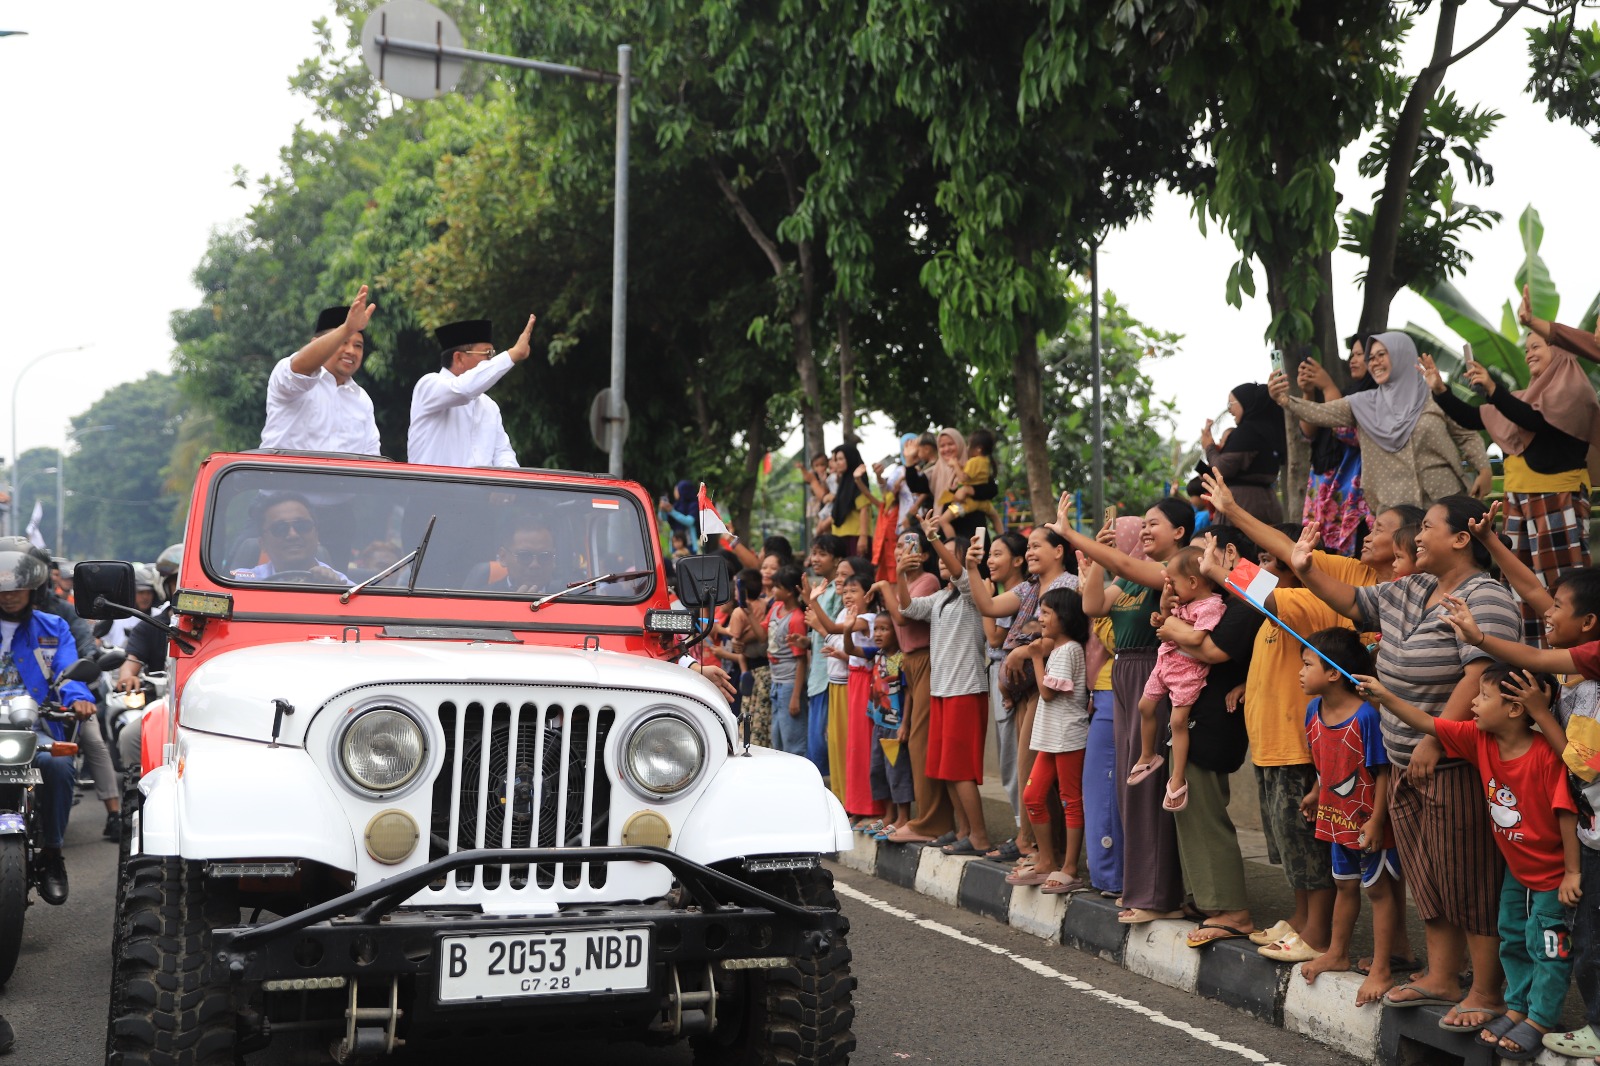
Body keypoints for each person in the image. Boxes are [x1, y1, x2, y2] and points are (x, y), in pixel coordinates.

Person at [1292, 496, 1520, 1033]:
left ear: (1462, 538)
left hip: (1451, 763)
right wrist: (1305, 567)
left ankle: (1486, 991)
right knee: (1429, 878)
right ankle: (1441, 976)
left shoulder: (1484, 595)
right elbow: (1351, 600)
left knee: (1469, 879)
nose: (1416, 539)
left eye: (1429, 529)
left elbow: (1481, 675)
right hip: (1405, 762)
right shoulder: (1413, 586)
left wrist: (1436, 739)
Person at [1360, 664, 1578, 1060]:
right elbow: (1428, 722)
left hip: (1553, 875)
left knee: (1547, 948)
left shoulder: (1545, 755)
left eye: (1483, 696)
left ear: (1514, 709)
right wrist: (1385, 697)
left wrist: (1572, 873)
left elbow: (1566, 812)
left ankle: (1541, 1019)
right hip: (1517, 870)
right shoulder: (1481, 740)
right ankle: (1516, 1008)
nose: (1472, 704)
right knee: (1512, 936)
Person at [1422, 334, 1600, 646]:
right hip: (1518, 500)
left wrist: (1493, 390)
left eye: (1538, 346)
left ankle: (1572, 662)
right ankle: (1531, 659)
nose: (1529, 353)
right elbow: (1473, 417)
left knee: (1562, 586)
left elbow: (1534, 421)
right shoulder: (1520, 397)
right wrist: (1440, 390)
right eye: (1527, 348)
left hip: (1558, 499)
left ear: (1560, 351)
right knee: (1519, 585)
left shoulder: (1573, 390)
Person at [1062, 495, 1191, 924]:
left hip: (1153, 674)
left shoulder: (1171, 571)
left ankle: (1157, 895)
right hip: (1125, 673)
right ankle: (1139, 886)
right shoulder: (1134, 579)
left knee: (1148, 786)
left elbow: (1131, 568)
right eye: (1145, 525)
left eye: (1156, 524)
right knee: (1128, 786)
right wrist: (1098, 560)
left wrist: (1073, 535)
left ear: (1179, 532)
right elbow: (1092, 606)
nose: (1148, 531)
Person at [1296, 628, 1405, 1006]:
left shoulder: (1366, 717)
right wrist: (1315, 792)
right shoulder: (1313, 711)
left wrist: (1377, 820)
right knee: (1344, 885)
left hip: (1366, 821)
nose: (1301, 672)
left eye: (1307, 664)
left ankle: (1381, 968)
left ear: (1333, 673)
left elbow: (1383, 772)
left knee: (1377, 890)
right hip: (1333, 816)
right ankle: (1338, 952)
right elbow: (1327, 765)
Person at [1270, 331, 1492, 514]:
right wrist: (1285, 400)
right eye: (1371, 357)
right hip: (1395, 510)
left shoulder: (1434, 395)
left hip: (1445, 502)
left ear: (1401, 355)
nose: (1374, 362)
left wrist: (1484, 469)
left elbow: (1466, 434)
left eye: (1381, 355)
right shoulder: (1362, 404)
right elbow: (1319, 413)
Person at [967, 524, 1079, 867]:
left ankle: (1037, 849)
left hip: (1049, 692)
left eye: (1036, 546)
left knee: (1034, 774)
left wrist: (1023, 652)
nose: (1029, 552)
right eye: (1027, 547)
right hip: (1024, 691)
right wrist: (971, 567)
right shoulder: (1031, 587)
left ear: (1059, 551)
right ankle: (1042, 849)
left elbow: (1068, 635)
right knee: (1029, 772)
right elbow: (987, 605)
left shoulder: (1068, 586)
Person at [879, 533, 991, 856]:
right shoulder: (942, 597)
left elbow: (959, 573)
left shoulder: (973, 590)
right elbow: (909, 608)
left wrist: (933, 537)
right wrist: (900, 573)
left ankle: (980, 835)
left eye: (948, 555)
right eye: (939, 554)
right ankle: (964, 830)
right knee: (945, 768)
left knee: (960, 769)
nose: (942, 560)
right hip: (942, 690)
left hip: (965, 689)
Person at [0, 542, 92, 905]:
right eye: (2, 587)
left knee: (59, 764)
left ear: (32, 586)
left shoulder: (53, 627)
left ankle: (52, 854)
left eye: (16, 586)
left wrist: (79, 700)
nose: (8, 595)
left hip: (33, 726)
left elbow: (69, 673)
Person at [1128, 546, 1224, 813]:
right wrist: (1162, 616)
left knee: (1178, 721)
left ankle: (1178, 776)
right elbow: (1169, 624)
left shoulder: (1212, 605)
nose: (1168, 587)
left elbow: (1196, 638)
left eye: (1173, 582)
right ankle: (1148, 755)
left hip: (1187, 671)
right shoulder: (1184, 602)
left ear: (1193, 582)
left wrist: (1169, 628)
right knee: (1144, 707)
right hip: (1165, 662)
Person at [1008, 586, 1091, 894]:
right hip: (1051, 737)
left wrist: (1035, 657)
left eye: (1046, 613)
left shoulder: (1069, 650)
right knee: (1032, 796)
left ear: (1064, 617)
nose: (1040, 619)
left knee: (1071, 800)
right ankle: (1046, 860)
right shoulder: (1059, 648)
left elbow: (1047, 692)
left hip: (1068, 736)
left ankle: (1069, 866)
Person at [880, 531, 951, 845]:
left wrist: (887, 583)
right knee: (910, 742)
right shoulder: (904, 582)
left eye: (911, 547)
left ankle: (929, 821)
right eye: (898, 546)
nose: (902, 552)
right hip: (907, 661)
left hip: (924, 660)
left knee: (921, 742)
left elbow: (904, 618)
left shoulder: (928, 582)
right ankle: (926, 818)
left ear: (924, 556)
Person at [259, 289, 381, 455]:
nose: (351, 351)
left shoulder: (362, 400)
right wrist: (347, 328)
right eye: (343, 341)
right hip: (284, 479)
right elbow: (300, 367)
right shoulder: (289, 376)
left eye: (358, 345)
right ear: (315, 343)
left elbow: (371, 459)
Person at [408, 315, 537, 468]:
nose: (490, 361)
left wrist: (512, 481)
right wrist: (513, 354)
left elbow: (503, 453)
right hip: (433, 491)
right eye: (486, 354)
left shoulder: (489, 406)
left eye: (492, 355)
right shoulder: (429, 385)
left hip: (480, 492)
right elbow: (463, 390)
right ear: (459, 358)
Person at [1295, 339, 1375, 555]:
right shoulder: (1346, 393)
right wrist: (1309, 393)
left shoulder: (1376, 396)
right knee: (1321, 559)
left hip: (1351, 495)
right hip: (1323, 491)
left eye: (1361, 355)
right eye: (1353, 354)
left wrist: (1328, 387)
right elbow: (1308, 432)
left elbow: (1345, 429)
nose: (1353, 359)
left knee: (1350, 566)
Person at [981, 531, 1029, 835]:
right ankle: (1021, 828)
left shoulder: (1021, 592)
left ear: (1018, 560)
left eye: (998, 554)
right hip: (1000, 673)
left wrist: (986, 597)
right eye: (990, 554)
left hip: (1011, 675)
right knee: (1009, 757)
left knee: (1013, 759)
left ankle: (1022, 829)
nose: (990, 560)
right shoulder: (1006, 592)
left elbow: (995, 637)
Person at [856, 613, 912, 836]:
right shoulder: (877, 654)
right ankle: (888, 815)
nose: (878, 634)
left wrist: (905, 723)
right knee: (878, 771)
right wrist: (849, 628)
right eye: (876, 629)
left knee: (897, 771)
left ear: (897, 633)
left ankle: (903, 817)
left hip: (894, 725)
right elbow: (852, 650)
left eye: (884, 629)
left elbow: (909, 694)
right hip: (879, 723)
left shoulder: (901, 660)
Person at [1200, 383, 1285, 524]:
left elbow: (1221, 469)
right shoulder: (1269, 430)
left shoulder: (1247, 432)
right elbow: (1209, 475)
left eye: (1231, 404)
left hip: (1244, 505)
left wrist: (1209, 446)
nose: (1229, 410)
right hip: (1267, 502)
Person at [230, 493, 350, 583]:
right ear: (263, 544)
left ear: (317, 534)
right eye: (280, 528)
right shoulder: (242, 582)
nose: (293, 535)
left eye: (302, 526)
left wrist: (334, 593)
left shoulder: (342, 585)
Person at [802, 535, 845, 780]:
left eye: (822, 554)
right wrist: (806, 640)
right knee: (817, 744)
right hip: (817, 676)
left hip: (831, 676)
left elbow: (833, 630)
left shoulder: (837, 592)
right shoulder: (824, 589)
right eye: (813, 553)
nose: (814, 559)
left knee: (825, 744)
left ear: (837, 560)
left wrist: (817, 626)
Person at [765, 565, 810, 757]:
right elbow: (761, 634)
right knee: (778, 737)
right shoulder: (775, 608)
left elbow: (801, 660)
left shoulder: (797, 619)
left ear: (790, 591)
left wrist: (795, 697)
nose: (773, 590)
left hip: (790, 683)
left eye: (777, 587)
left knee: (793, 740)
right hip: (776, 682)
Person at [936, 427, 999, 540]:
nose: (946, 449)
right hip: (982, 505)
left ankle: (954, 545)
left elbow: (965, 479)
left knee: (943, 520)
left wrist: (968, 489)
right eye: (942, 446)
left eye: (951, 444)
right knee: (996, 516)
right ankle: (1003, 538)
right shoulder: (984, 462)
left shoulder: (972, 462)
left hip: (964, 506)